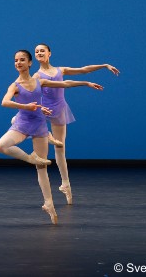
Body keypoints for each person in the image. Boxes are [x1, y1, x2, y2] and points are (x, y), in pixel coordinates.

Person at [0, 49, 104, 224]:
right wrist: (27, 107)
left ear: (29, 63)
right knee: (1, 146)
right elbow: (4, 102)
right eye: (16, 60)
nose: (18, 63)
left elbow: (66, 84)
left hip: (39, 125)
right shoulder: (14, 85)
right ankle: (31, 158)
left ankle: (49, 204)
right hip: (22, 124)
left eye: (22, 60)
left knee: (43, 168)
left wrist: (86, 83)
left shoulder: (40, 80)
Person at [31, 43, 119, 205]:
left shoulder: (60, 70)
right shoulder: (36, 76)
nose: (39, 53)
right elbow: (33, 95)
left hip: (59, 109)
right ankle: (45, 137)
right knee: (35, 136)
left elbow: (84, 69)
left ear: (49, 53)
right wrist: (39, 108)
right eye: (36, 51)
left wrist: (104, 65)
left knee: (60, 147)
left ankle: (66, 184)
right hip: (44, 110)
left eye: (42, 50)